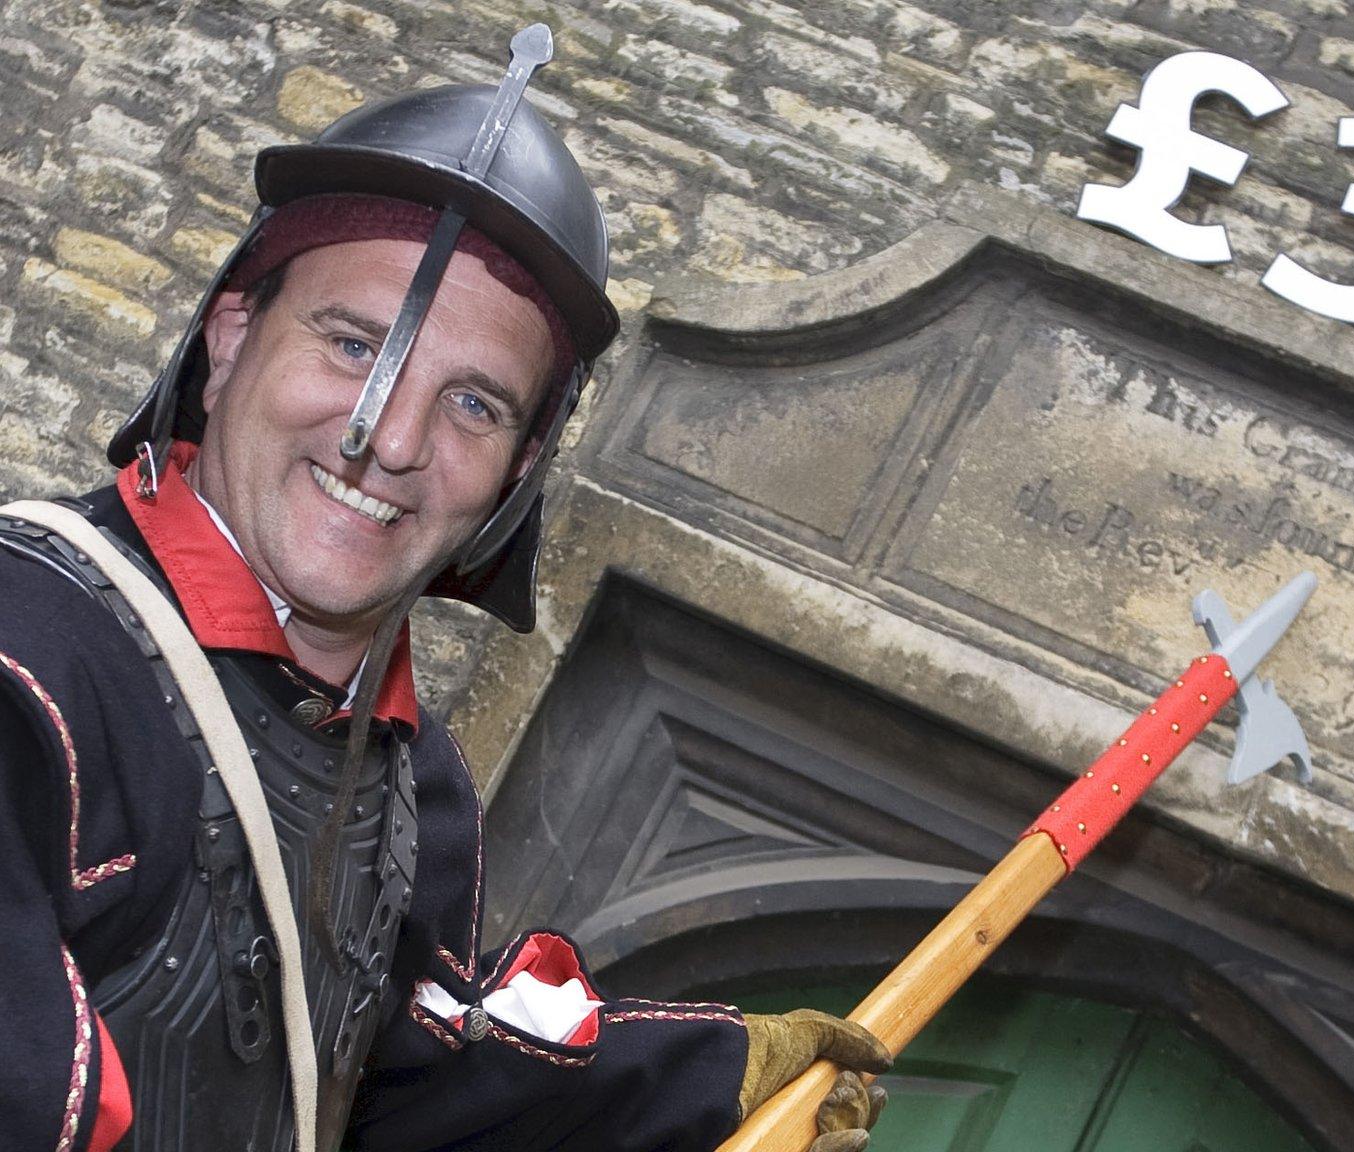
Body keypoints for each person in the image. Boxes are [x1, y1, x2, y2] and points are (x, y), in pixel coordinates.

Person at [0, 25, 889, 1152]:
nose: (389, 439)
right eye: (350, 342)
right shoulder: (25, 658)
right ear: (230, 340)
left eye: (473, 403)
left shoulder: (413, 791)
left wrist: (703, 1088)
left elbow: (382, 1102)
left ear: (519, 468)